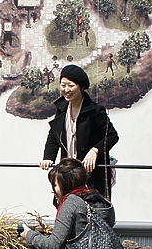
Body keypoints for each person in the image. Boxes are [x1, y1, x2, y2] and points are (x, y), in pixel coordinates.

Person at [39, 64, 119, 198]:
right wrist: (48, 157)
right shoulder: (61, 108)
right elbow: (54, 135)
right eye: (63, 85)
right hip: (67, 173)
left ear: (81, 87)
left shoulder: (95, 111)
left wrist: (95, 150)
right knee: (67, 212)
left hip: (91, 174)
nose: (66, 89)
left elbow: (112, 136)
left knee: (92, 212)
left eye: (71, 86)